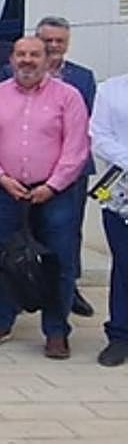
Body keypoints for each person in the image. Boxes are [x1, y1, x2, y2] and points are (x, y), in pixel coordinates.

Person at [0, 36, 89, 359]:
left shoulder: (69, 96)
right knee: (1, 259)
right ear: (11, 59)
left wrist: (53, 185)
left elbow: (76, 148)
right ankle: (0, 321)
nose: (27, 60)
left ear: (46, 58)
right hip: (5, 190)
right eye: (21, 54)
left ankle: (56, 331)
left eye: (34, 54)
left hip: (55, 193)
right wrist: (1, 177)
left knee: (58, 262)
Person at [1, 17, 97, 317]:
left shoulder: (81, 77)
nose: (54, 46)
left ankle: (68, 300)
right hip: (17, 178)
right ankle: (18, 296)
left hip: (69, 175)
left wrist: (58, 178)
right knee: (16, 239)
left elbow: (86, 126)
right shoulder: (8, 76)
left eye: (60, 41)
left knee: (65, 240)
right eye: (49, 41)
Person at [89, 72, 128, 366]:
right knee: (125, 264)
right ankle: (120, 335)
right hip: (120, 193)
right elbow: (99, 136)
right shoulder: (110, 90)